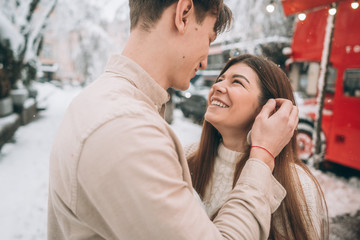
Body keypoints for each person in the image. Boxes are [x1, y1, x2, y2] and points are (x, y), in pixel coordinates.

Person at [47, 1, 299, 239]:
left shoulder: (109, 106)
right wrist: (263, 155)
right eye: (208, 38)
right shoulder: (128, 129)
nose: (203, 61)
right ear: (184, 13)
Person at [185, 54, 329, 240]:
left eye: (237, 82)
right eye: (220, 80)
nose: (217, 86)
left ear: (268, 109)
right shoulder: (187, 155)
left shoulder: (297, 183)